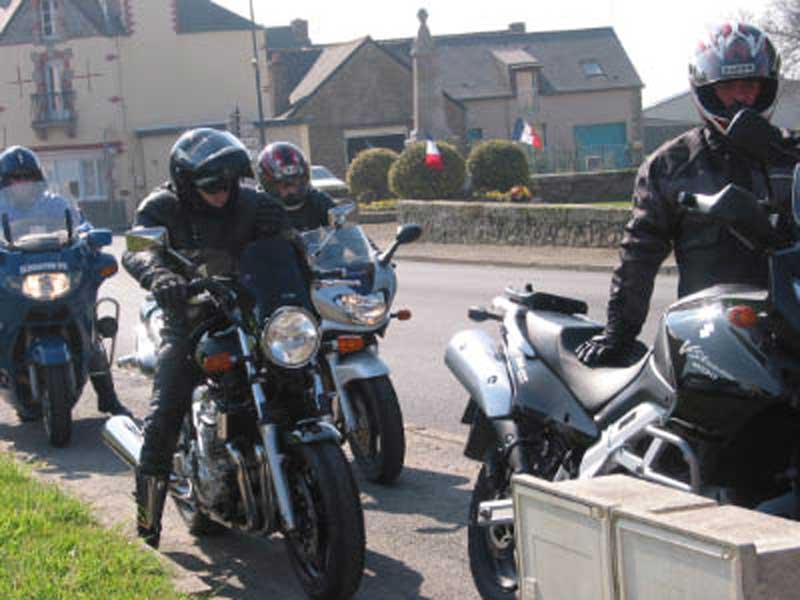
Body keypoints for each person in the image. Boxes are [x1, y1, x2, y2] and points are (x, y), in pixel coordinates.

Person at [577, 22, 800, 366]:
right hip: (711, 338)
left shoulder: (793, 154)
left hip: (790, 329)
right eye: (727, 87)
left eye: (749, 85)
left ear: (766, 87)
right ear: (706, 90)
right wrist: (618, 333)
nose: (739, 97)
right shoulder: (670, 165)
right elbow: (639, 255)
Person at [121, 128, 287, 548]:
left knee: (297, 373)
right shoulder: (162, 207)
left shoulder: (252, 203)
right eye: (212, 184)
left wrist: (291, 236)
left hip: (249, 313)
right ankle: (147, 522)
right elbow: (137, 247)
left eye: (229, 183)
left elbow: (291, 242)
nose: (222, 192)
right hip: (190, 316)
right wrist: (159, 274)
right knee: (165, 411)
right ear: (186, 183)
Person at [0, 145, 130, 420]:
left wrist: (90, 238)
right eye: (15, 178)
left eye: (28, 177)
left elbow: (82, 227)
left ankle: (109, 400)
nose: (22, 184)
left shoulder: (56, 204)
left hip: (57, 273)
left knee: (91, 334)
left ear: (38, 180)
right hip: (13, 277)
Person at [255, 141, 335, 231]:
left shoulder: (318, 202)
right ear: (268, 184)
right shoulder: (258, 210)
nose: (291, 191)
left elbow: (342, 232)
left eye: (295, 183)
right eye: (284, 185)